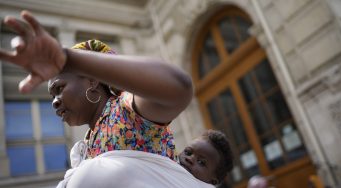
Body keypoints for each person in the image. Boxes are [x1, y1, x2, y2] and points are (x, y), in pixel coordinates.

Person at [0, 10, 193, 162]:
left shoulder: (126, 110)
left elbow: (179, 87)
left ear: (92, 80)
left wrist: (68, 58)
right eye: (52, 97)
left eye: (59, 89)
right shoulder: (86, 145)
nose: (54, 103)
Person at [58, 129, 232, 188]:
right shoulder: (160, 163)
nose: (190, 159)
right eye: (188, 152)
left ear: (213, 180)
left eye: (201, 162)